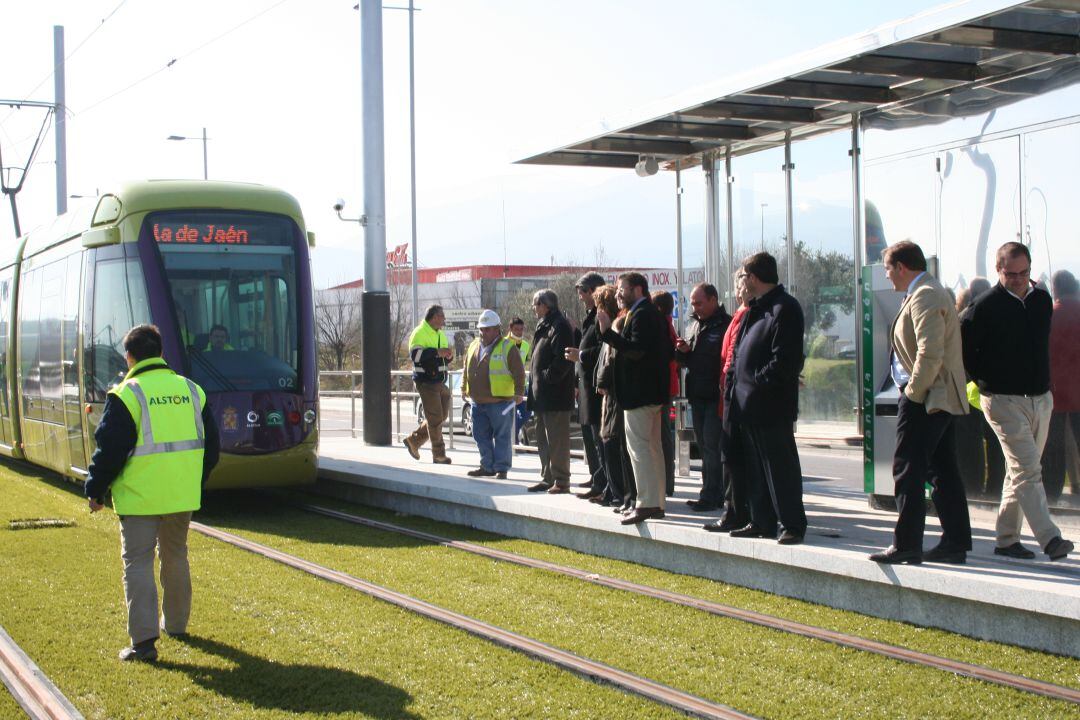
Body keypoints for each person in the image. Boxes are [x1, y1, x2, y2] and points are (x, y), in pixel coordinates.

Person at [84, 324, 220, 662]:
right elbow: (213, 449)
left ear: (129, 357)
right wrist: (191, 481)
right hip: (181, 496)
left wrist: (95, 490)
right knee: (175, 556)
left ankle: (144, 642)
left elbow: (109, 451)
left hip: (140, 497)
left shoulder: (126, 395)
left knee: (138, 562)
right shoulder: (192, 391)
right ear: (161, 353)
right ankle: (176, 625)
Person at [961, 243, 1073, 561]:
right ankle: (1050, 539)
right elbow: (964, 353)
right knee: (1027, 471)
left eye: (1024, 273)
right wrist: (986, 381)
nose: (1019, 279)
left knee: (1019, 471)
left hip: (1040, 399)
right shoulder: (982, 308)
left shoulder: (1041, 300)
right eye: (1012, 274)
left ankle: (1007, 539)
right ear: (999, 270)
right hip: (1002, 400)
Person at [870, 241, 971, 564]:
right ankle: (955, 542)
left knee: (907, 469)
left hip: (926, 398)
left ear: (901, 267)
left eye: (888, 269)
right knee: (942, 470)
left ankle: (907, 544)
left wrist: (912, 394)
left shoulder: (925, 294)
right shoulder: (924, 292)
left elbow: (930, 352)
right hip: (932, 397)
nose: (887, 277)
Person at [724, 254, 808, 545]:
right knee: (756, 467)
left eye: (744, 276)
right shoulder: (754, 310)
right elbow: (738, 356)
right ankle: (761, 520)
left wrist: (757, 383)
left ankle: (791, 524)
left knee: (779, 467)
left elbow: (785, 360)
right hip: (747, 406)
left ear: (754, 278)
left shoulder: (784, 308)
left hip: (770, 406)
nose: (741, 282)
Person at [597, 272, 672, 524]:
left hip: (641, 395)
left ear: (638, 290)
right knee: (652, 449)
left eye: (622, 289)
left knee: (640, 449)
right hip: (649, 394)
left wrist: (608, 332)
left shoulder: (642, 314)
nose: (618, 294)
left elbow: (636, 350)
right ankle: (655, 502)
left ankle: (647, 504)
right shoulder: (648, 313)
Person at [676, 283, 731, 513]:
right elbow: (688, 360)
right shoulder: (694, 324)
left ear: (713, 299)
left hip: (714, 397)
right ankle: (708, 491)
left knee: (711, 446)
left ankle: (713, 495)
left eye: (699, 302)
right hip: (697, 395)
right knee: (705, 445)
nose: (695, 307)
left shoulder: (725, 325)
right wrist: (683, 352)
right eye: (692, 303)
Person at [705, 270, 753, 533]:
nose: (737, 292)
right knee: (729, 455)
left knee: (733, 457)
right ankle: (734, 509)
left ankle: (736, 511)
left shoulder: (746, 315)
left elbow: (734, 355)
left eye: (740, 286)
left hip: (735, 395)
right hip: (727, 394)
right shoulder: (738, 316)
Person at [953, 278, 1005, 500]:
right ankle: (995, 489)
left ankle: (972, 488)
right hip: (995, 390)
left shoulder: (962, 320)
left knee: (970, 443)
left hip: (967, 391)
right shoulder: (1001, 317)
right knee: (996, 443)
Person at [462, 310, 526, 479]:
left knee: (502, 436)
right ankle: (487, 466)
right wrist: (464, 388)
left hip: (500, 402)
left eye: (487, 329)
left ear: (497, 329)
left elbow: (519, 372)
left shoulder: (507, 347)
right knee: (479, 435)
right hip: (477, 401)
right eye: (481, 329)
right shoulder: (474, 345)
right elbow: (466, 369)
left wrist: (519, 392)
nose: (483, 333)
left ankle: (501, 468)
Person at [564, 272, 609, 500]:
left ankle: (604, 483)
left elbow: (602, 350)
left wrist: (580, 355)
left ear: (593, 291)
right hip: (585, 386)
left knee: (600, 438)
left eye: (582, 292)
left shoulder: (603, 315)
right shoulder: (591, 315)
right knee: (591, 437)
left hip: (596, 387)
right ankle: (598, 477)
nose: (580, 297)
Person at [526, 289, 575, 493]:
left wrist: (546, 378)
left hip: (554, 395)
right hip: (541, 395)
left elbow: (562, 360)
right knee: (543, 437)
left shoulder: (559, 325)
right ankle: (548, 476)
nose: (533, 308)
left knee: (557, 439)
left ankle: (561, 480)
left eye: (536, 304)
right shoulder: (544, 324)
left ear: (545, 305)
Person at [593, 285, 634, 509]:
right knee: (609, 443)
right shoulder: (615, 323)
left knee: (612, 443)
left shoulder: (617, 324)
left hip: (614, 393)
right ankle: (615, 491)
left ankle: (620, 493)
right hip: (611, 392)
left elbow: (611, 358)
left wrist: (602, 382)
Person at [1044, 269, 1080, 504]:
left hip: (1055, 393)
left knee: (1053, 448)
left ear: (1054, 289)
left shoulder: (1048, 317)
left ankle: (1052, 495)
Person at [403, 305, 454, 464]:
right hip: (425, 381)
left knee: (440, 416)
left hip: (439, 380)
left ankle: (414, 440)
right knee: (436, 419)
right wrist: (437, 352)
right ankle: (439, 454)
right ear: (434, 317)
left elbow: (442, 357)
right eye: (442, 317)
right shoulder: (419, 332)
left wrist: (448, 356)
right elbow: (416, 356)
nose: (444, 320)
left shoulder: (440, 333)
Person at [652, 290, 680, 497]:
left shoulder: (662, 326)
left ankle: (667, 483)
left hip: (663, 388)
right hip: (666, 387)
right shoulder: (667, 325)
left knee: (662, 437)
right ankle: (666, 483)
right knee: (663, 437)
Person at [506, 317, 533, 444]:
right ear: (510, 329)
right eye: (516, 329)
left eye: (521, 329)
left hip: (522, 385)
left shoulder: (526, 345)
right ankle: (512, 439)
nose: (519, 332)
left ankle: (513, 433)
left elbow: (524, 363)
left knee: (526, 412)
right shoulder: (504, 343)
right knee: (509, 414)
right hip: (507, 385)